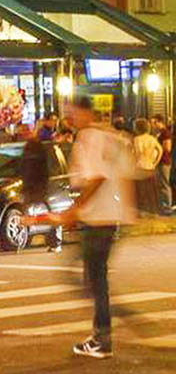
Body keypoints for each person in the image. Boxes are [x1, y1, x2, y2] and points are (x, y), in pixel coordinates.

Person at [62, 96, 137, 359]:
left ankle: (102, 335)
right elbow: (128, 173)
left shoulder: (88, 138)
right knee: (94, 276)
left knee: (92, 278)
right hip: (111, 217)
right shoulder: (112, 137)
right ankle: (106, 328)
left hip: (96, 219)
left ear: (83, 112)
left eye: (70, 112)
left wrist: (75, 209)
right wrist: (127, 210)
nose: (67, 118)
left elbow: (96, 177)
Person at [133, 118, 163, 216]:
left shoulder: (136, 139)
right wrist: (155, 162)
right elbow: (160, 150)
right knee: (152, 191)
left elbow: (133, 154)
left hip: (139, 167)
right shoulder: (152, 139)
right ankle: (153, 211)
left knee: (141, 191)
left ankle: (142, 211)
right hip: (150, 166)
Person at [150, 115, 172, 215]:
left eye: (153, 122)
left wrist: (157, 151)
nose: (152, 125)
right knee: (160, 184)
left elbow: (167, 148)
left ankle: (167, 207)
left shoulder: (165, 133)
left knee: (164, 184)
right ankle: (163, 206)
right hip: (159, 162)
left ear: (159, 122)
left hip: (164, 161)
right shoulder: (159, 133)